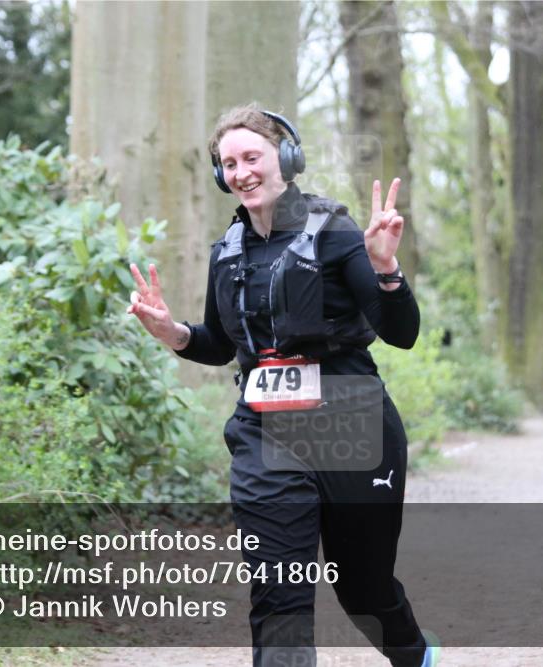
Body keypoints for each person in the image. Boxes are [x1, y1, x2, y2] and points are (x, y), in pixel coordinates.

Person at [126, 104, 438, 667]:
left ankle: (416, 657)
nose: (241, 171)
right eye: (229, 163)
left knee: (364, 589)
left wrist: (386, 269)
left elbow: (403, 334)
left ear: (285, 159)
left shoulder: (338, 233)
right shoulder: (228, 251)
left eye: (252, 157)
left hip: (349, 419)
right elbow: (221, 344)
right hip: (265, 432)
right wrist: (172, 332)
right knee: (279, 594)